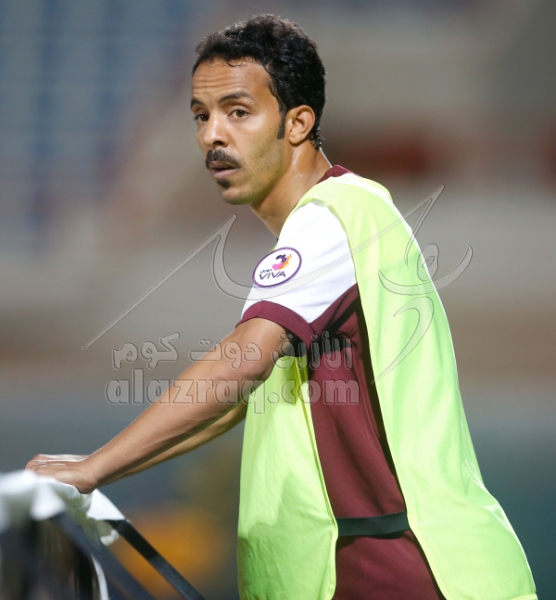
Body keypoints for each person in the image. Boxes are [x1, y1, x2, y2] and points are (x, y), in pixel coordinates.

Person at [27, 14, 537, 600]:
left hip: (408, 573)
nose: (212, 135)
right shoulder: (338, 221)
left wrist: (93, 468)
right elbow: (231, 404)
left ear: (298, 123)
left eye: (238, 112)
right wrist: (96, 468)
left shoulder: (332, 219)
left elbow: (244, 360)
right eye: (201, 115)